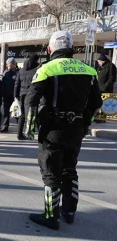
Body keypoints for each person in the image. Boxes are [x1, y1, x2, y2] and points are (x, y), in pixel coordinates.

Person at [25, 31, 103, 230]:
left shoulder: (47, 68)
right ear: (71, 48)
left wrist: (29, 128)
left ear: (51, 49)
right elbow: (95, 104)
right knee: (70, 170)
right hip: (76, 128)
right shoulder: (89, 70)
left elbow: (31, 101)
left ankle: (51, 217)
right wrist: (85, 124)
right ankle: (69, 211)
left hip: (53, 129)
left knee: (51, 172)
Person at [14, 53, 40, 140]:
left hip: (22, 95)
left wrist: (15, 95)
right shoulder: (37, 69)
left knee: (22, 115)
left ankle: (19, 134)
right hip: (32, 94)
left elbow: (17, 84)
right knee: (35, 114)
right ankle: (36, 134)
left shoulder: (21, 70)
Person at [0, 57, 19, 133]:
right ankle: (5, 126)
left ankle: (19, 127)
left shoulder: (18, 72)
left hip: (15, 96)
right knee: (5, 112)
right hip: (6, 95)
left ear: (13, 65)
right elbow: (2, 84)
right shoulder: (5, 72)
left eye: (9, 64)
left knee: (16, 112)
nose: (8, 66)